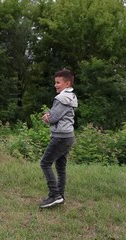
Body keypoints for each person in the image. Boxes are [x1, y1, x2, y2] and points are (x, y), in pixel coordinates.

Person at [39, 68, 78, 208]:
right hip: (68, 136)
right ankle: (60, 196)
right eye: (55, 82)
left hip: (60, 137)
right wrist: (49, 114)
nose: (55, 85)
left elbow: (53, 117)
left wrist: (46, 118)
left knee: (45, 163)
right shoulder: (70, 97)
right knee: (60, 166)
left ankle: (54, 195)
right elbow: (55, 113)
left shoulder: (61, 98)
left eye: (58, 82)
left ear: (67, 84)